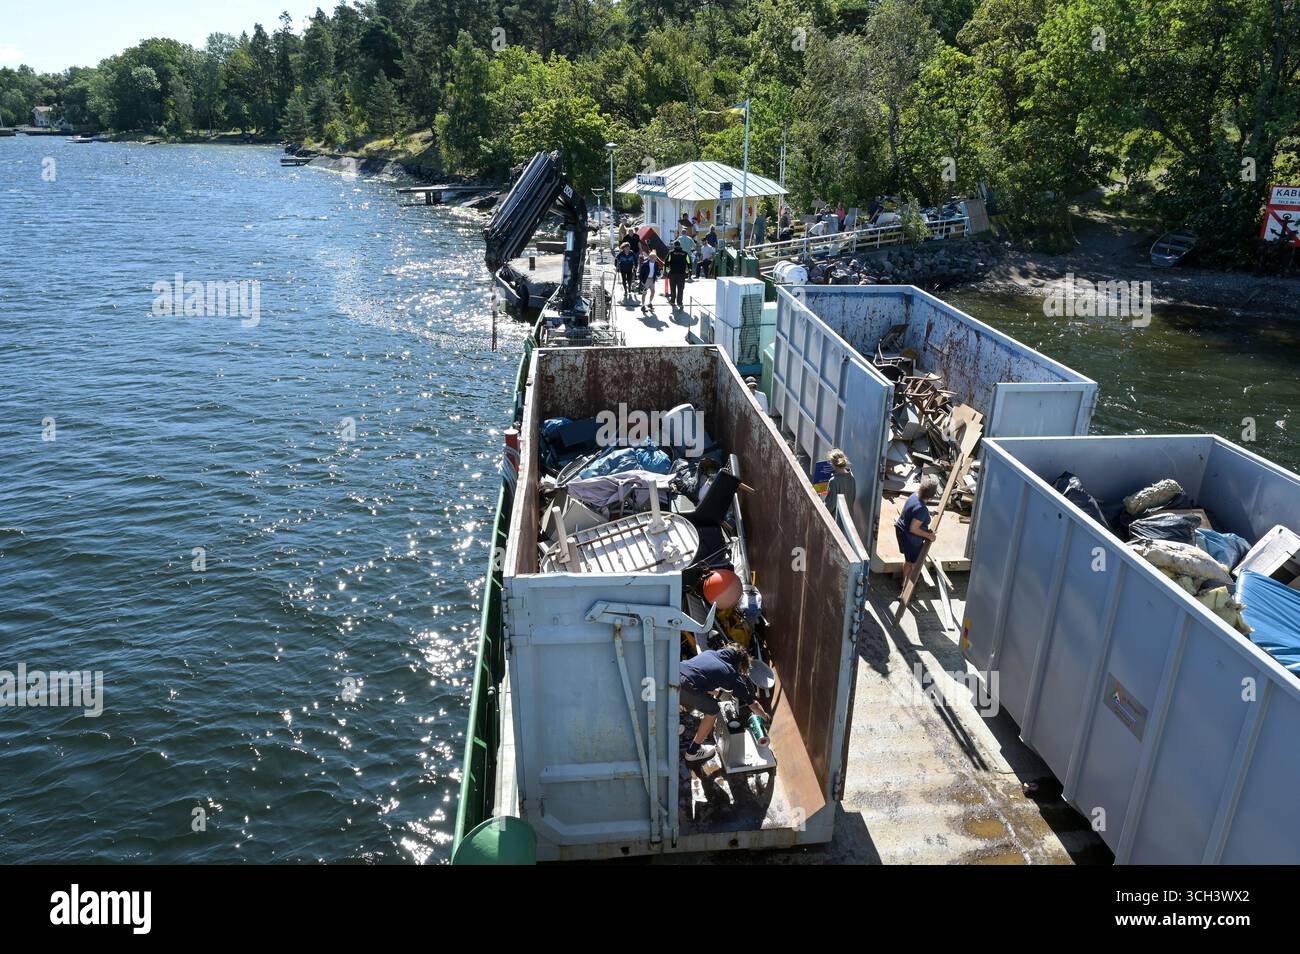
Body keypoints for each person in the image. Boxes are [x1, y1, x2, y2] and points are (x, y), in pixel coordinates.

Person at [679, 643, 770, 762]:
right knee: (713, 710)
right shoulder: (731, 673)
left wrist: (719, 693)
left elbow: (698, 676)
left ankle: (674, 727)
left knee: (680, 694)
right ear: (741, 664)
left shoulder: (709, 653)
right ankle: (693, 752)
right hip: (685, 688)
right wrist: (765, 716)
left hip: (671, 674)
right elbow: (753, 705)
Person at [895, 474, 939, 579]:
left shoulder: (914, 495)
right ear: (931, 496)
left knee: (909, 559)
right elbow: (913, 529)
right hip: (909, 538)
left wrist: (929, 513)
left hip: (901, 531)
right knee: (913, 563)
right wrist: (929, 536)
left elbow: (914, 511)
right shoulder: (921, 509)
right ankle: (906, 586)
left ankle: (905, 582)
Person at [823, 448, 856, 517]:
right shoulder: (852, 478)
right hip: (849, 519)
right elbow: (852, 499)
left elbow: (830, 506)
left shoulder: (833, 481)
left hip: (836, 521)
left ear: (833, 464)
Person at [666, 240, 690, 308]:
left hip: (672, 274)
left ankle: (673, 301)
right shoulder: (685, 253)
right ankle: (680, 303)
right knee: (680, 289)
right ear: (680, 245)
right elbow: (689, 262)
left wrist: (667, 272)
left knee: (673, 288)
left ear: (674, 245)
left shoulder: (671, 253)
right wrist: (690, 271)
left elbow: (667, 262)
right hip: (682, 274)